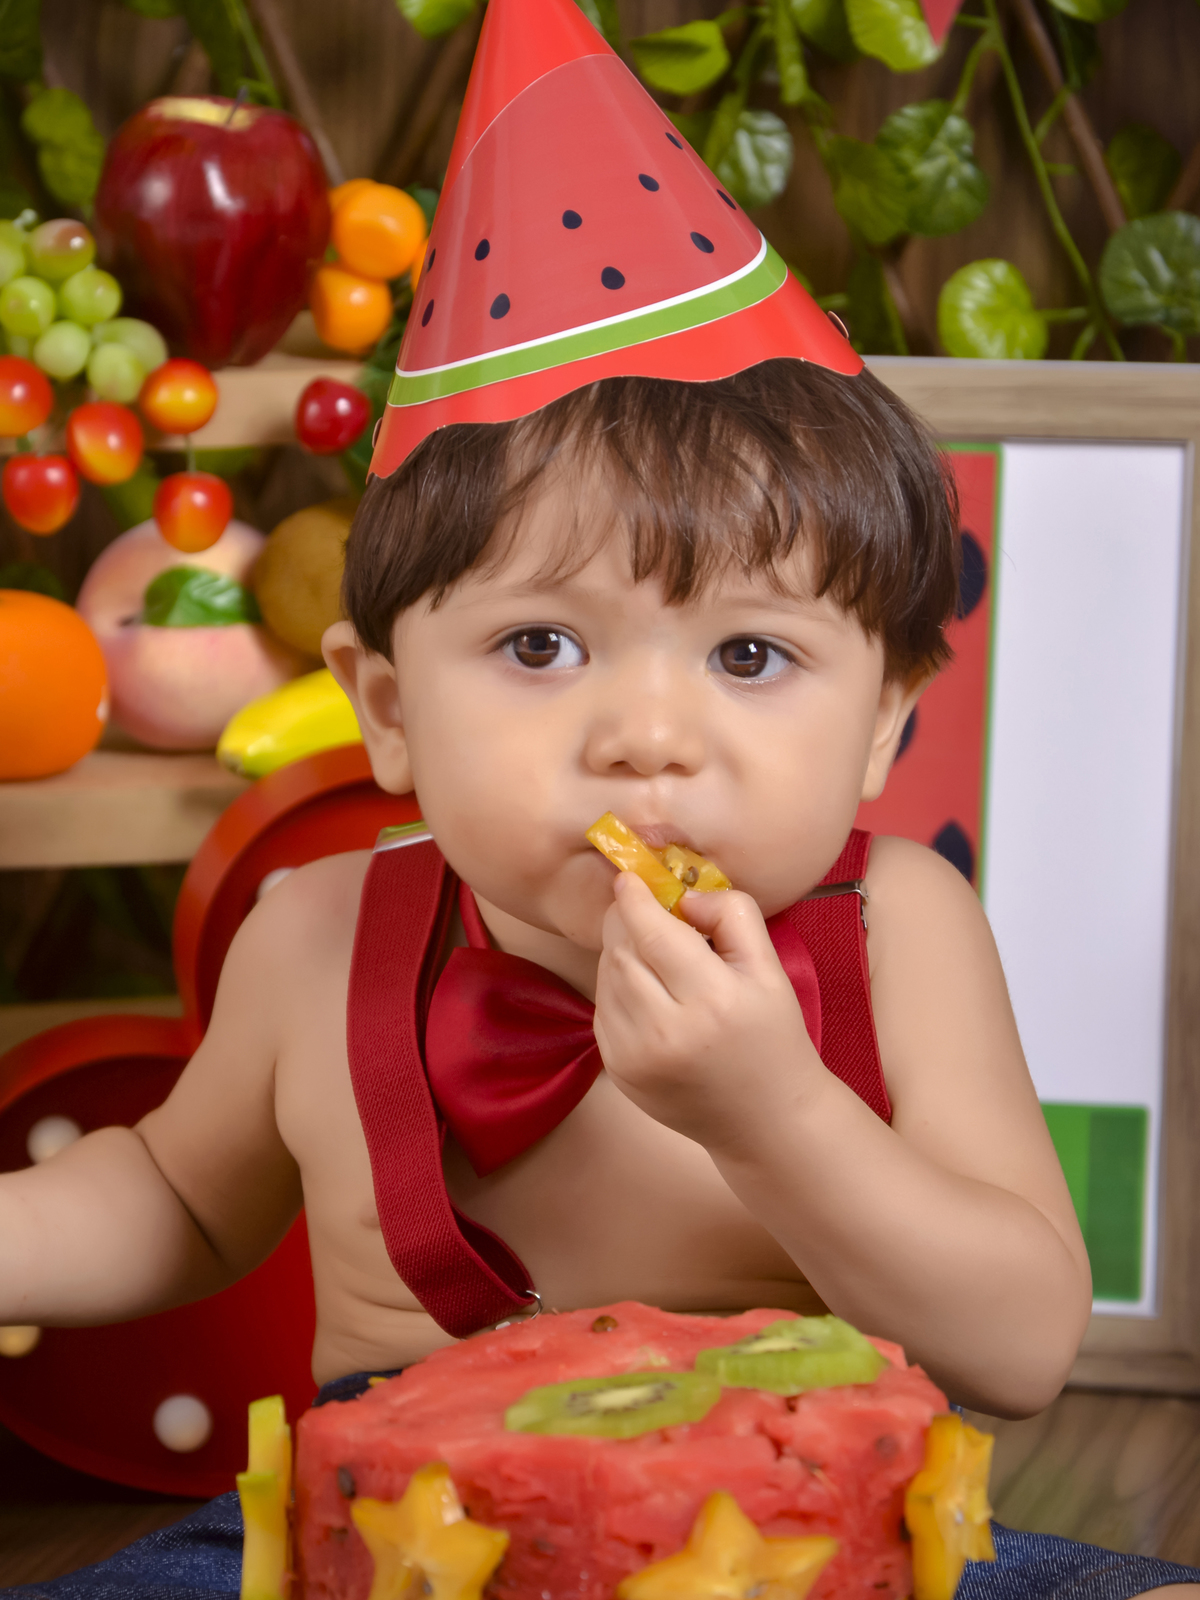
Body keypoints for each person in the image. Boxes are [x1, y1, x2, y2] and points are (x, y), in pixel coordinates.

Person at [3, 0, 1199, 1596]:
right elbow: (174, 1200)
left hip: (811, 1544)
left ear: (881, 729)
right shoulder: (315, 936)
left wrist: (778, 1115)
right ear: (388, 710)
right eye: (542, 646)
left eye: (751, 656)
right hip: (388, 1546)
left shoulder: (897, 932)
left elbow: (1022, 1344)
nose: (644, 739)